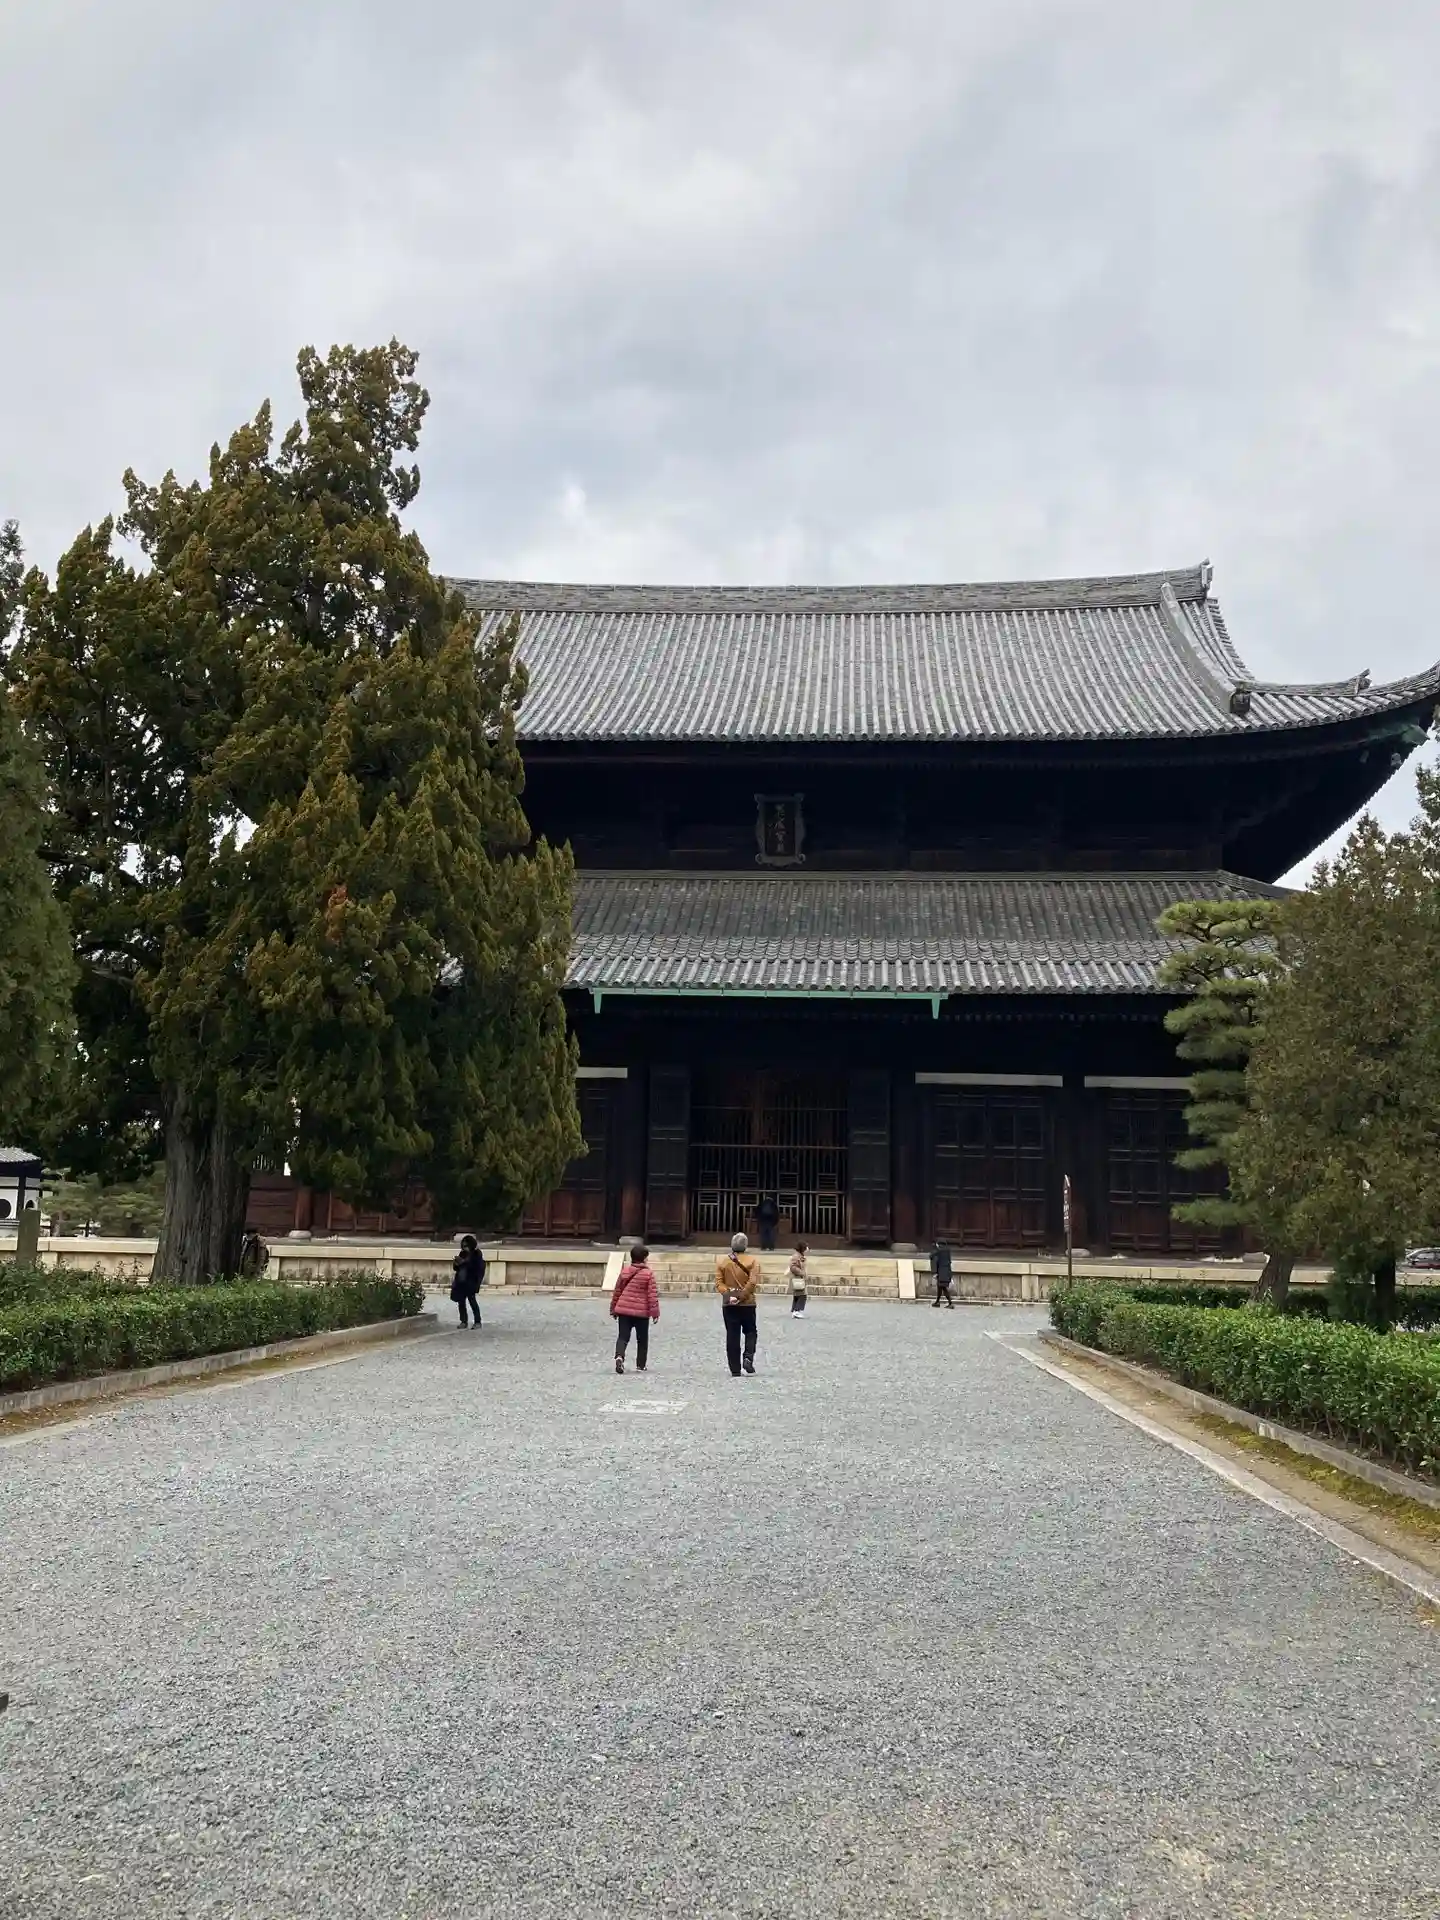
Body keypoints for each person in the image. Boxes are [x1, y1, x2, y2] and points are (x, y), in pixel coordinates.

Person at [715, 1231, 762, 1376]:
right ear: (745, 1246)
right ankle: (748, 1356)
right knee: (750, 1331)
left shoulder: (722, 1262)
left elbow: (719, 1283)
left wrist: (729, 1295)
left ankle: (735, 1368)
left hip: (729, 1304)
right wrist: (742, 1296)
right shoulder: (752, 1261)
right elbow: (752, 1282)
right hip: (748, 1303)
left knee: (732, 1334)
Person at [610, 1243, 660, 1374]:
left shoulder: (625, 1271)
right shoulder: (648, 1274)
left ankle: (619, 1356)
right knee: (642, 1339)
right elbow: (652, 1295)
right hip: (641, 1312)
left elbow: (617, 1291)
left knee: (623, 1336)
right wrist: (655, 1313)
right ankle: (640, 1365)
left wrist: (613, 1308)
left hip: (624, 1310)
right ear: (644, 1258)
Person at [450, 1235, 486, 1328]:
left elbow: (476, 1268)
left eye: (466, 1246)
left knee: (472, 1302)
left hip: (471, 1281)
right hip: (461, 1281)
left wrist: (464, 1262)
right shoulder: (462, 1253)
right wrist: (456, 1263)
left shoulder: (476, 1254)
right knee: (461, 1303)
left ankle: (477, 1321)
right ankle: (463, 1321)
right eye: (463, 1246)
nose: (464, 1248)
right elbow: (456, 1268)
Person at [932, 1238, 955, 1309]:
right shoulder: (947, 1251)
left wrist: (935, 1272)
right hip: (947, 1271)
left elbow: (931, 1256)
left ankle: (950, 1303)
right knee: (940, 1287)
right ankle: (937, 1302)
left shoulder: (939, 1250)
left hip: (941, 1272)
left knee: (943, 1288)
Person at [788, 1241, 809, 1316]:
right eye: (806, 1247)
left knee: (797, 1295)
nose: (807, 1249)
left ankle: (795, 1310)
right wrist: (801, 1273)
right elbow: (793, 1267)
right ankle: (797, 1310)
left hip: (800, 1279)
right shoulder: (796, 1256)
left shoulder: (801, 1256)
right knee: (802, 1295)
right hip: (797, 1279)